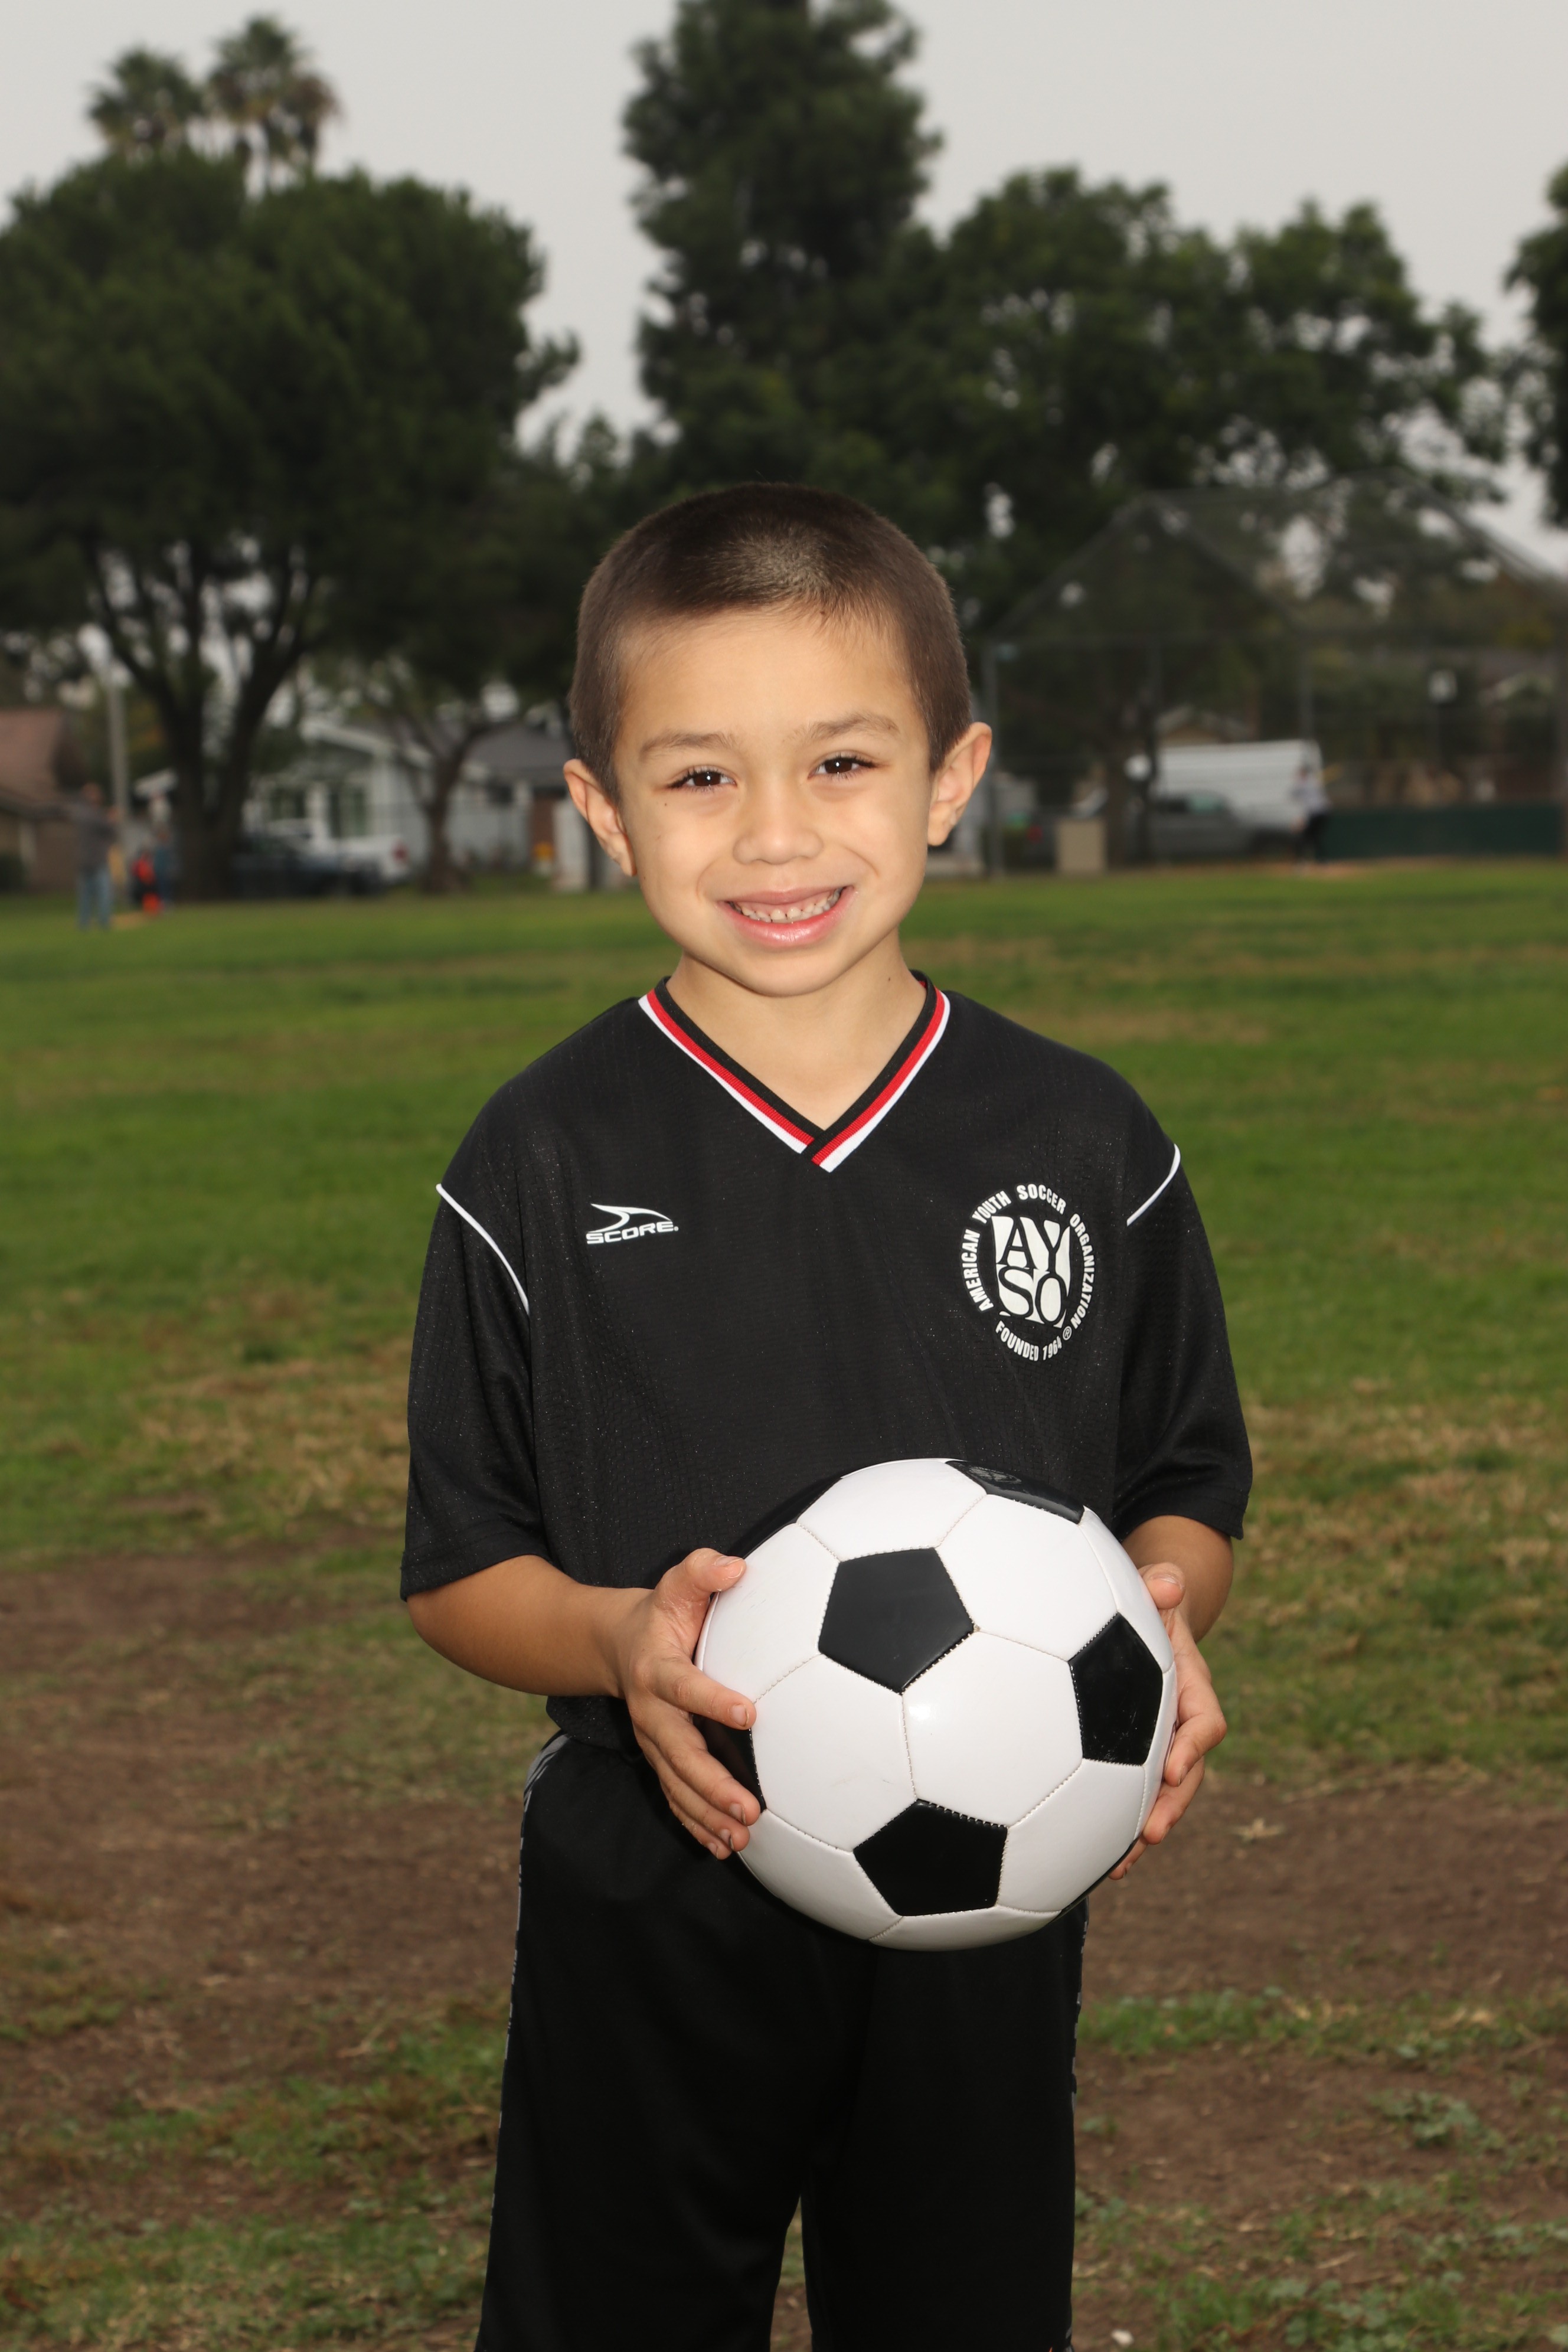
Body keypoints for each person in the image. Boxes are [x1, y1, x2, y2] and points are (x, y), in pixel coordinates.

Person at [401, 486, 1250, 2352]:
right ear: (601, 808)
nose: (776, 833)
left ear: (953, 779)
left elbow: (1185, 1478)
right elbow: (460, 1567)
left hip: (996, 1881)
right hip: (655, 1875)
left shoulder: (1080, 1137)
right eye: (701, 776)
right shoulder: (541, 1158)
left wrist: (1163, 1612)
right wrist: (616, 1639)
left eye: (843, 761)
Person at [68, 782, 118, 929]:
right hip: (97, 860)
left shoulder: (79, 814)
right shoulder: (93, 814)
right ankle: (104, 922)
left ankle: (84, 923)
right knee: (104, 893)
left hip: (83, 860)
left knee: (85, 896)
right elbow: (110, 831)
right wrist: (112, 819)